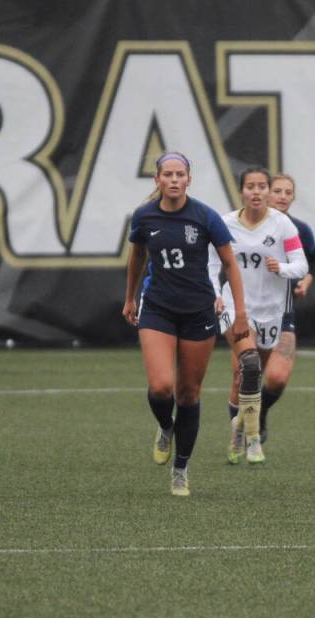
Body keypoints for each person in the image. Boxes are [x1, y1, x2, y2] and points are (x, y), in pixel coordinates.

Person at [122, 151, 251, 497]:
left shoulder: (206, 217)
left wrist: (240, 312)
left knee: (188, 393)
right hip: (158, 310)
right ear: (158, 180)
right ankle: (166, 427)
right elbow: (136, 257)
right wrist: (130, 298)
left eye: (181, 174)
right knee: (162, 387)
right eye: (168, 174)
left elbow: (230, 264)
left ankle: (181, 469)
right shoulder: (144, 217)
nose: (175, 180)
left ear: (189, 180)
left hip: (198, 312)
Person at [208, 167, 308, 464]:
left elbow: (301, 264)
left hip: (272, 310)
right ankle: (248, 438)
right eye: (250, 186)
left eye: (262, 186)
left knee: (258, 376)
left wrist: (284, 268)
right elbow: (211, 264)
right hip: (236, 307)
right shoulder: (224, 224)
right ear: (242, 191)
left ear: (268, 190)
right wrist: (214, 292)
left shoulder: (283, 225)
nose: (256, 191)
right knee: (247, 367)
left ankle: (244, 421)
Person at [249, 173, 315, 446]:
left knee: (277, 378)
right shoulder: (246, 224)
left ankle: (261, 413)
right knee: (245, 374)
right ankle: (240, 429)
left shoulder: (299, 229)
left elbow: (312, 262)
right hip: (248, 308)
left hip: (282, 310)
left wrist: (305, 281)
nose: (281, 196)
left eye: (287, 192)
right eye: (276, 190)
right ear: (266, 193)